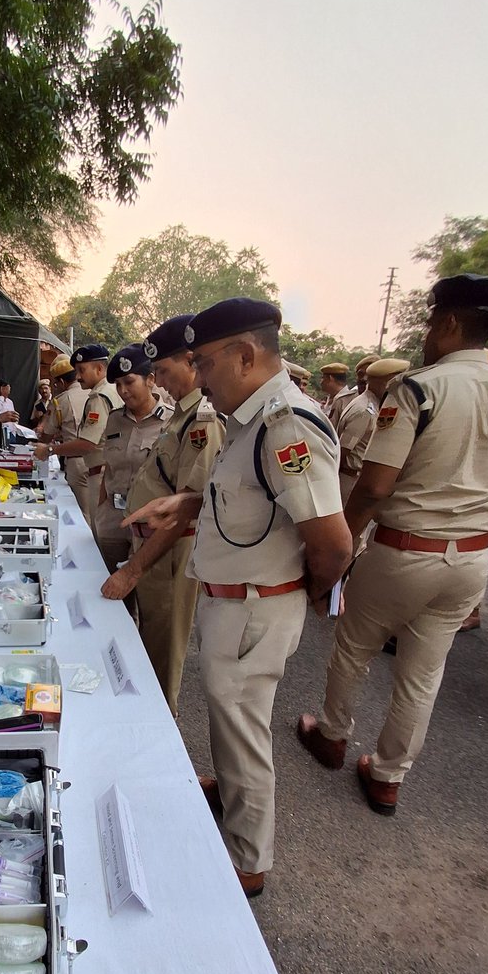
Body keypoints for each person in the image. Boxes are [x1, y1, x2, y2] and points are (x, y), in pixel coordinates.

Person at [127, 299, 351, 897]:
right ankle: (228, 792)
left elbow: (332, 547)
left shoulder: (286, 425)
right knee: (230, 725)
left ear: (245, 355)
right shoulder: (251, 419)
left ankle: (248, 862)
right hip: (236, 600)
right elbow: (250, 500)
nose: (196, 377)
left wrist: (287, 596)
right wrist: (188, 503)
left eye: (203, 363)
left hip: (256, 604)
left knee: (246, 735)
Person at [297, 275, 488, 816]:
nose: (425, 334)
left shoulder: (420, 388)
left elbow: (374, 486)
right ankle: (387, 776)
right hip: (472, 558)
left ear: (449, 324)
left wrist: (337, 553)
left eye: (429, 322)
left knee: (354, 646)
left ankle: (332, 735)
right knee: (424, 673)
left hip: (406, 549)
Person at [101, 315, 222, 714]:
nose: (162, 381)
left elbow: (185, 508)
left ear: (191, 361)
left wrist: (132, 571)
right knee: (147, 646)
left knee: (163, 660)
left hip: (169, 554)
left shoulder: (201, 421)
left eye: (165, 372)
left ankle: (161, 749)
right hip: (150, 547)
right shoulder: (181, 416)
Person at [94, 345, 172, 593]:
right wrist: (100, 513)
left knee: (148, 599)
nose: (123, 391)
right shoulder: (115, 419)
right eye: (117, 384)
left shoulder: (172, 421)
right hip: (113, 521)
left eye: (129, 381)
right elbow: (109, 467)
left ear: (150, 380)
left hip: (150, 526)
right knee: (110, 594)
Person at [36, 344, 122, 530]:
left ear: (99, 369)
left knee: (90, 525)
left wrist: (50, 449)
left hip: (96, 469)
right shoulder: (112, 390)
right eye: (76, 371)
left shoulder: (98, 397)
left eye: (82, 370)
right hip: (106, 469)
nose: (79, 376)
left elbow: (87, 444)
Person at [336, 358, 410, 505]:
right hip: (350, 480)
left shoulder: (374, 404)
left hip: (355, 479)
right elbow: (343, 450)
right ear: (381, 382)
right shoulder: (364, 410)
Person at [37, 354, 91, 517]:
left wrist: (46, 445)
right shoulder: (93, 393)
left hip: (77, 462)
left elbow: (46, 436)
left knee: (82, 514)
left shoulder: (61, 401)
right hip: (100, 461)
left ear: (60, 382)